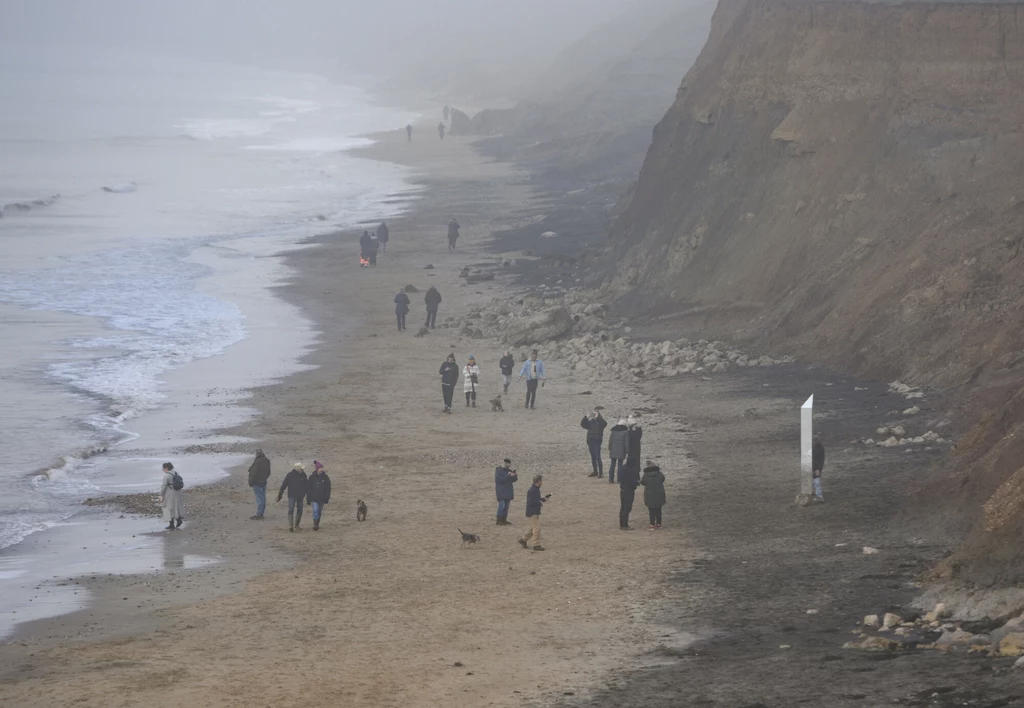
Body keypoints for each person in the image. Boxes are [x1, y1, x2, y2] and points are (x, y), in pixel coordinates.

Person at [518, 474, 547, 551]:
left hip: (534, 511)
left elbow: (536, 499)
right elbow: (531, 501)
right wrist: (540, 502)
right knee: (537, 528)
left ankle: (523, 540)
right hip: (532, 512)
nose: (542, 482)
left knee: (533, 528)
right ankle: (536, 545)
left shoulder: (535, 489)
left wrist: (543, 499)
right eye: (541, 480)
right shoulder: (533, 490)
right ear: (538, 481)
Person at [277, 462, 308, 531]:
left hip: (300, 495)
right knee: (291, 509)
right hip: (292, 495)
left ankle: (297, 525)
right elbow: (284, 485)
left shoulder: (304, 475)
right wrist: (280, 494)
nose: (302, 470)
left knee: (300, 510)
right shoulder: (290, 475)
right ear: (297, 469)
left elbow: (306, 486)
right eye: (301, 469)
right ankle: (291, 526)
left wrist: (308, 495)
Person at [580, 411, 608, 478]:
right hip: (590, 441)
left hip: (597, 442)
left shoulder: (600, 423)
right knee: (593, 457)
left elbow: (605, 423)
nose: (594, 415)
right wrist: (586, 417)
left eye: (595, 414)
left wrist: (598, 417)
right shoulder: (590, 422)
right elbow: (583, 424)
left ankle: (601, 473)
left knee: (598, 457)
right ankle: (595, 471)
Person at [618, 449, 640, 531]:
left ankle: (622, 523)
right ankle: (625, 524)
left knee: (623, 507)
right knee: (627, 508)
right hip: (629, 491)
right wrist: (636, 483)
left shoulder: (623, 469)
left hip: (623, 490)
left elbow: (621, 479)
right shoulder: (631, 471)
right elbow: (631, 482)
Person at [306, 461, 332, 531]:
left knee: (319, 511)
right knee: (315, 511)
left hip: (322, 498)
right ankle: (315, 525)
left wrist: (327, 497)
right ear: (317, 469)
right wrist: (308, 498)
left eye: (322, 468)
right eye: (320, 468)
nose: (321, 469)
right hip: (314, 498)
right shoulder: (312, 477)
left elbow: (328, 488)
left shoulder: (325, 477)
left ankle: (317, 523)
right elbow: (308, 488)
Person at [641, 461, 666, 530]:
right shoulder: (660, 474)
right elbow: (663, 479)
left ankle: (652, 524)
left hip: (649, 495)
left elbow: (643, 482)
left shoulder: (645, 475)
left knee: (651, 511)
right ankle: (659, 524)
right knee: (658, 510)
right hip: (659, 494)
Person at [247, 448, 271, 519]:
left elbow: (253, 473)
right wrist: (264, 478)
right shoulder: (266, 460)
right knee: (262, 497)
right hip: (263, 481)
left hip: (257, 483)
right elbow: (268, 472)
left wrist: (250, 482)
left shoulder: (257, 461)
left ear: (257, 454)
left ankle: (259, 514)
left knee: (260, 498)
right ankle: (260, 513)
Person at [159, 462, 183, 531]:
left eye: (163, 468)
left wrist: (161, 494)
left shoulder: (166, 476)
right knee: (176, 507)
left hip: (169, 493)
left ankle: (172, 524)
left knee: (168, 508)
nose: (162, 470)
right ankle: (178, 519)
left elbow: (164, 486)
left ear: (166, 468)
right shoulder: (176, 473)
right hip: (177, 492)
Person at [494, 459, 518, 526]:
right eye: (507, 463)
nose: (508, 465)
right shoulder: (498, 471)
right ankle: (498, 521)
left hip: (508, 491)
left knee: (506, 507)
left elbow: (514, 479)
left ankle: (504, 520)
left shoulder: (509, 471)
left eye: (509, 464)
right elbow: (500, 480)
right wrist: (508, 475)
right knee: (502, 505)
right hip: (501, 491)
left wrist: (514, 474)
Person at [607, 420, 630, 484]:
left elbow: (610, 441)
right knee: (620, 465)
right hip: (621, 450)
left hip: (613, 450)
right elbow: (626, 443)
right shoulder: (625, 432)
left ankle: (610, 479)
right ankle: (619, 480)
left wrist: (610, 448)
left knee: (612, 465)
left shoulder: (613, 431)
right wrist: (627, 451)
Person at [812, 437, 826, 502]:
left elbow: (821, 460)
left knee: (817, 482)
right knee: (812, 481)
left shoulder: (820, 448)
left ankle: (819, 496)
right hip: (808, 465)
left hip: (815, 467)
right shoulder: (807, 447)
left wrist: (818, 469)